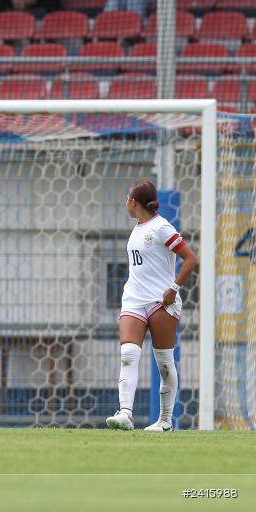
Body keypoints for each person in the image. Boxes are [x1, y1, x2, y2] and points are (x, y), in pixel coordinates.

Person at [106, 181, 197, 432]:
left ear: (133, 202)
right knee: (128, 354)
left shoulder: (162, 228)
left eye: (127, 198)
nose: (126, 202)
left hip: (160, 301)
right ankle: (125, 414)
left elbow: (190, 259)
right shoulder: (137, 228)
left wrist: (174, 288)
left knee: (164, 362)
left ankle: (165, 421)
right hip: (134, 299)